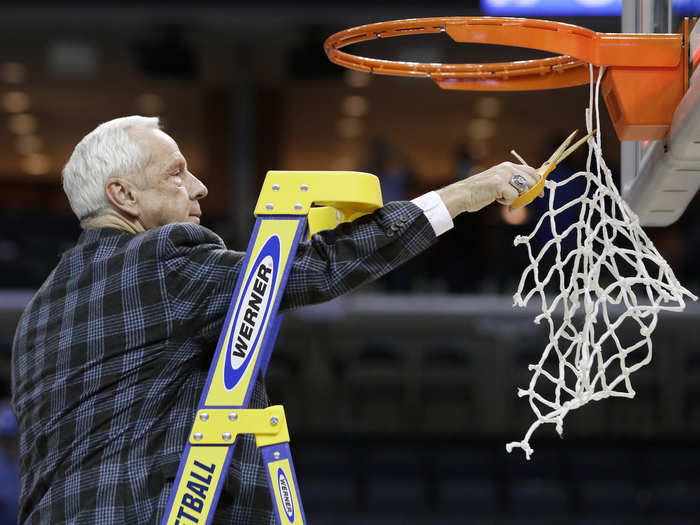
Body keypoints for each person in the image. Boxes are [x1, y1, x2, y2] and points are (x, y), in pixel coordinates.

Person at [11, 116, 537, 524]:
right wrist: (469, 193)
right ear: (123, 196)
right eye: (176, 173)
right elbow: (317, 267)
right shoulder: (160, 260)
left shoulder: (38, 311)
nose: (199, 188)